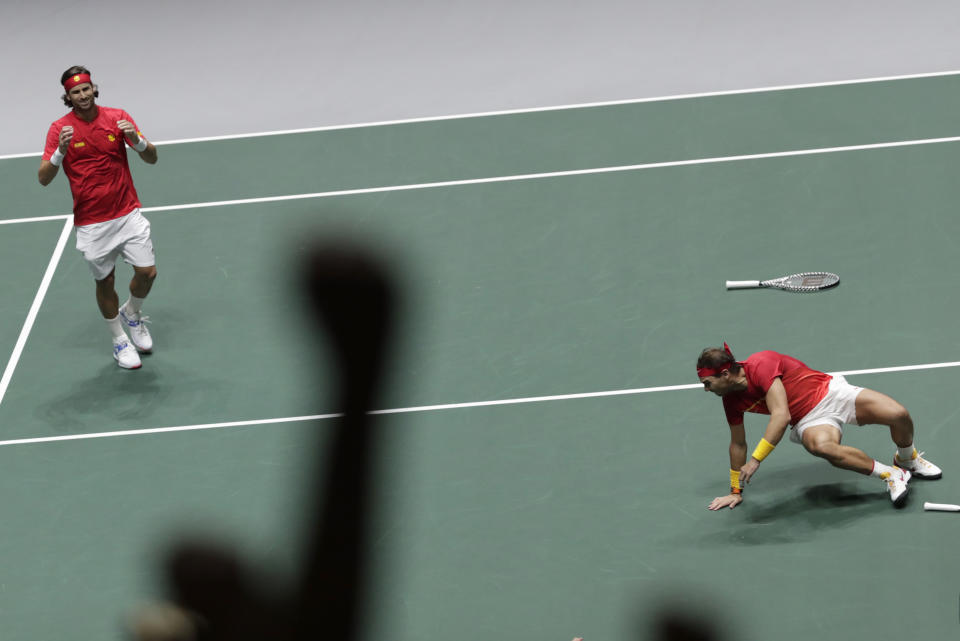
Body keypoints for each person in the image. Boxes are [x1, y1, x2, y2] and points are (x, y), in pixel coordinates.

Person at [697, 344, 941, 509]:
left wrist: (756, 459)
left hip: (831, 392)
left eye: (707, 383)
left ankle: (908, 459)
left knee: (898, 414)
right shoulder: (731, 400)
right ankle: (892, 474)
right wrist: (735, 490)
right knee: (822, 447)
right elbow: (737, 443)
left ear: (726, 374)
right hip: (808, 420)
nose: (706, 390)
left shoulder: (761, 363)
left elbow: (780, 416)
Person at [38, 65, 158, 369]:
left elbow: (152, 157)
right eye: (75, 92)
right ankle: (119, 341)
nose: (82, 95)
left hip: (127, 211)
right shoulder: (59, 130)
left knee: (148, 273)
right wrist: (60, 152)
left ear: (94, 89)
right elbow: (43, 178)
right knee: (106, 283)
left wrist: (137, 140)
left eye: (86, 89)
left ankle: (131, 314)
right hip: (92, 223)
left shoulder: (118, 117)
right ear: (68, 97)